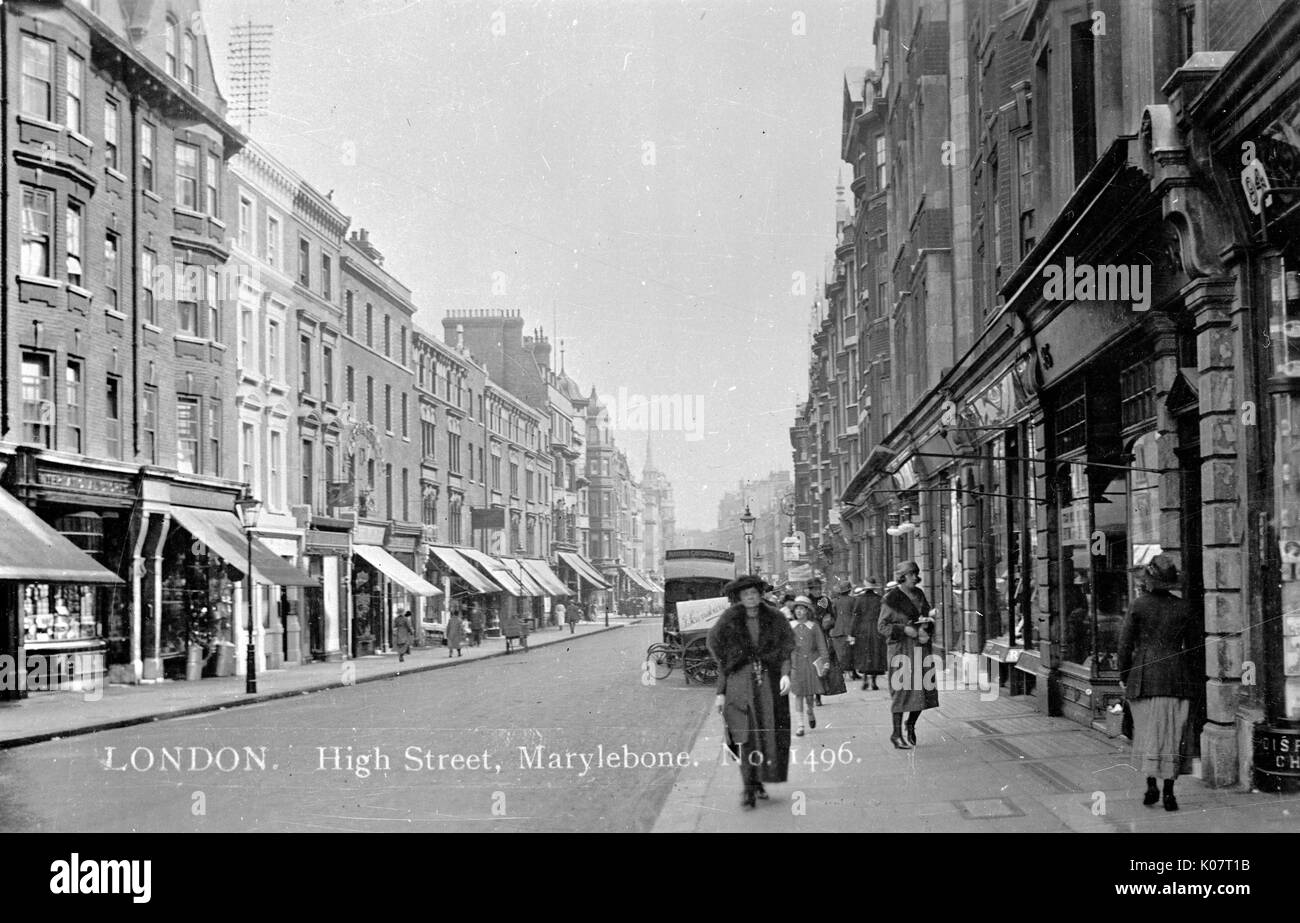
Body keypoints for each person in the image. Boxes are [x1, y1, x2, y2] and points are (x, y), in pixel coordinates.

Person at [708, 574, 795, 809]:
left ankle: (758, 782)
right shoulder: (729, 620)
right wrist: (720, 693)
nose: (751, 598)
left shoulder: (775, 618)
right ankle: (748, 788)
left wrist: (786, 674)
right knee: (744, 737)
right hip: (739, 687)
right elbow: (722, 659)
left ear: (760, 594)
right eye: (746, 594)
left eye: (754, 593)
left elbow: (786, 650)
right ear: (739, 597)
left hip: (767, 685)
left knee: (766, 736)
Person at [1118, 554, 1198, 812]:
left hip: (1143, 677)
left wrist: (1123, 674)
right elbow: (1195, 648)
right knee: (1172, 735)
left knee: (1147, 734)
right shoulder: (1184, 607)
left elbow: (1125, 645)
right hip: (1177, 678)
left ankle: (1151, 784)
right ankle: (1169, 794)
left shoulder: (1138, 605)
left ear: (1150, 581)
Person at [878, 561, 939, 748]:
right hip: (901, 651)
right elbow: (882, 626)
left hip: (921, 648)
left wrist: (927, 626)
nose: (915, 577)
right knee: (901, 692)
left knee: (924, 692)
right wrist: (904, 629)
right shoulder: (891, 598)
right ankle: (896, 735)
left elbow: (926, 616)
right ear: (902, 576)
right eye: (911, 574)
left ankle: (910, 724)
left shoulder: (919, 594)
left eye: (916, 574)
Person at [788, 596, 828, 737]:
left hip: (810, 664)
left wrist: (825, 661)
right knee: (798, 694)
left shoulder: (814, 626)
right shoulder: (790, 626)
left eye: (802, 609)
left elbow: (822, 645)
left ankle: (810, 711)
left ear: (807, 611)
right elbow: (785, 646)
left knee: (809, 695)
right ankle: (800, 725)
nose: (799, 611)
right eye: (797, 609)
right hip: (796, 664)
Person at [853, 578, 887, 690]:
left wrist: (852, 632)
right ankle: (873, 680)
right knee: (875, 654)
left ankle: (864, 679)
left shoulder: (859, 599)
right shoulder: (880, 599)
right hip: (876, 630)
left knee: (864, 654)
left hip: (862, 630)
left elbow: (856, 616)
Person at [829, 581, 861, 681]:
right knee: (852, 651)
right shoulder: (854, 600)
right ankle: (853, 672)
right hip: (850, 628)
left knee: (841, 652)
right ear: (849, 590)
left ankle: (840, 672)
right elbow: (856, 614)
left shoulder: (835, 601)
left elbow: (833, 614)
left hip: (838, 629)